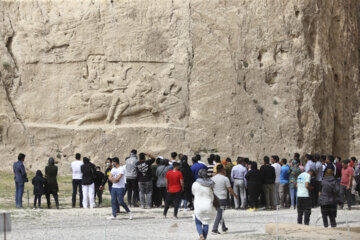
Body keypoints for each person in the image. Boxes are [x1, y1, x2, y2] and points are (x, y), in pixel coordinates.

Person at [212, 164, 237, 234]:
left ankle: (223, 227)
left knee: (220, 213)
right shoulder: (225, 178)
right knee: (220, 214)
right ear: (222, 170)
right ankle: (214, 229)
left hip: (214, 198)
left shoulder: (213, 178)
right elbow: (230, 189)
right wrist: (235, 195)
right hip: (222, 198)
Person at [192, 169, 216, 240]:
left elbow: (193, 193)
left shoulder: (195, 184)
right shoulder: (211, 184)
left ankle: (201, 235)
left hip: (198, 205)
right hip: (208, 205)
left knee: (198, 222)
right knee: (206, 222)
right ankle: (204, 238)